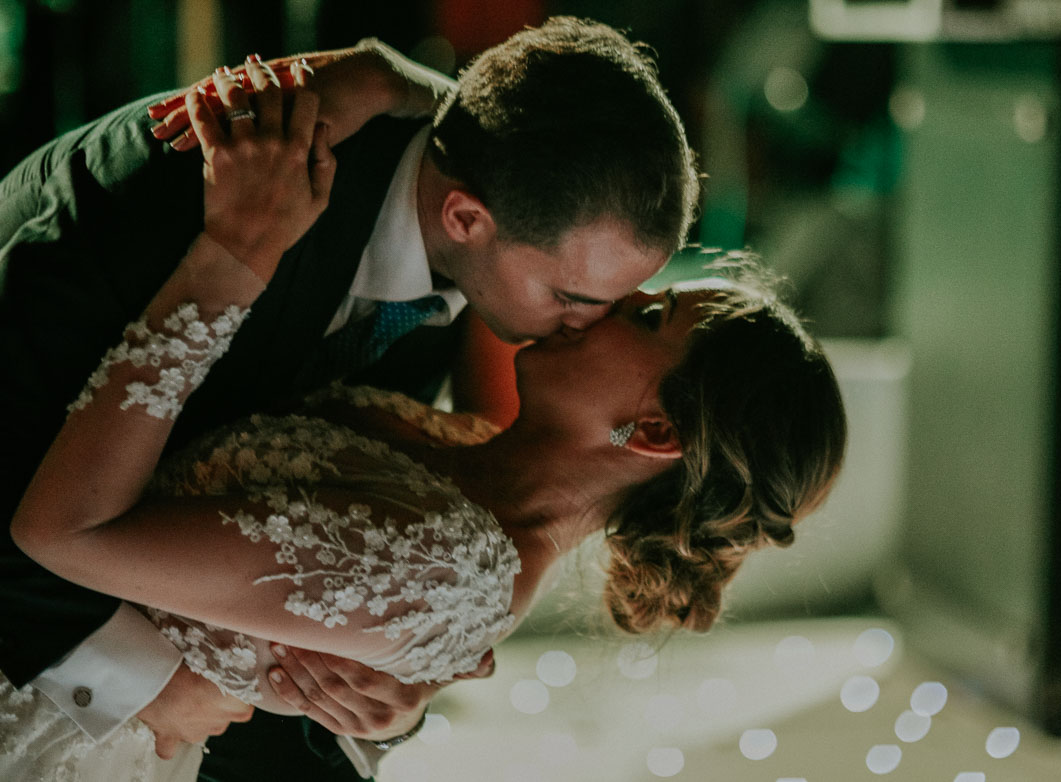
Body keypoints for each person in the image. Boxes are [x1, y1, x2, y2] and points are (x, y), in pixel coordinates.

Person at [1, 59, 846, 782]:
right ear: (467, 221)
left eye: (635, 310)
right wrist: (387, 75)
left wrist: (396, 672)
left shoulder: (460, 560)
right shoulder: (237, 177)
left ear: (657, 433)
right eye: (586, 297)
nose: (591, 317)